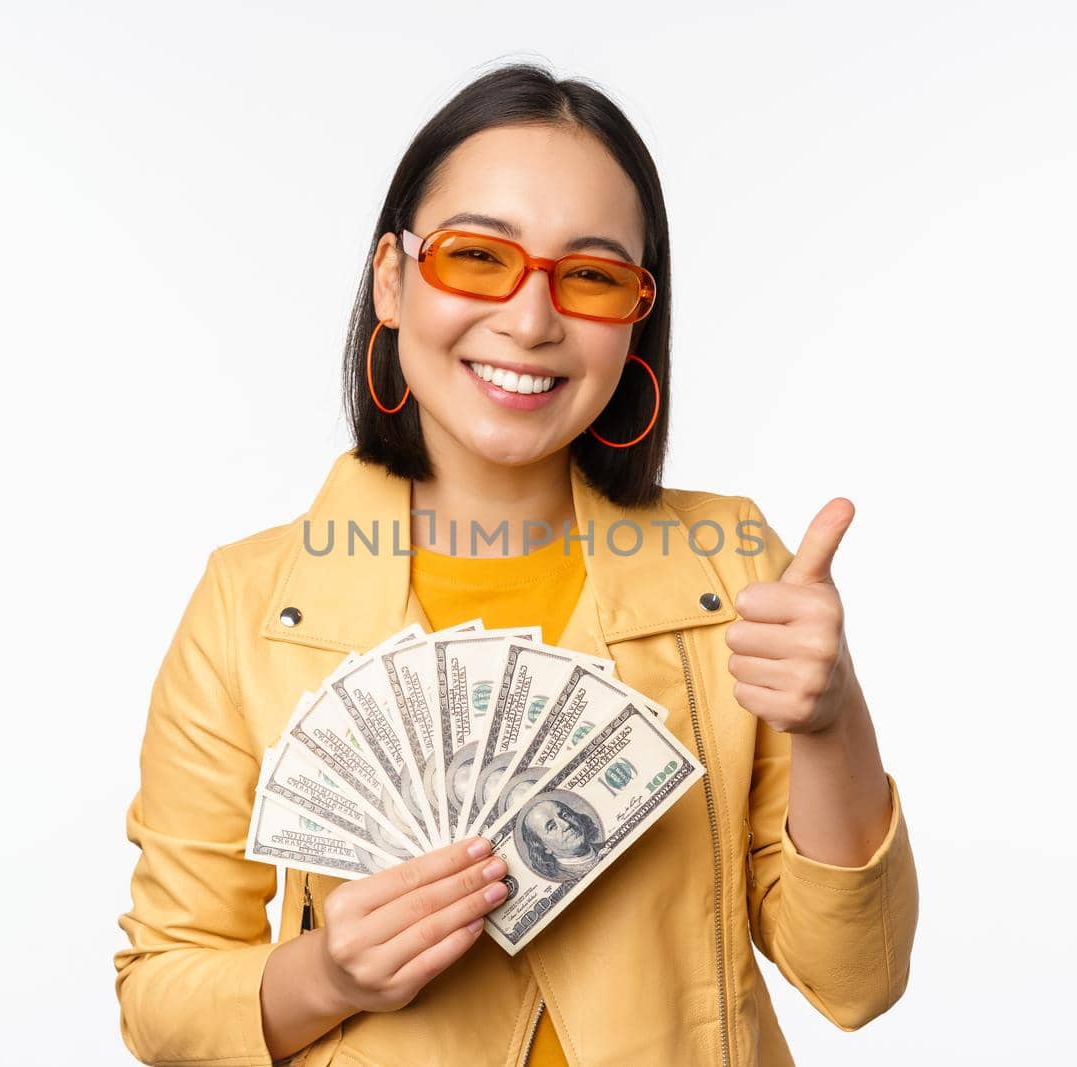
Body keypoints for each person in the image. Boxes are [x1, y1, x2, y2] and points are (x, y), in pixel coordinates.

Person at [114, 62, 919, 1067]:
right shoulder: (248, 603)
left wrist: (833, 720)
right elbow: (160, 993)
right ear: (392, 281)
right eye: (477, 257)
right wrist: (327, 973)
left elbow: (855, 980)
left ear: (635, 318)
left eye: (588, 275)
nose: (531, 320)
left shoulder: (737, 568)